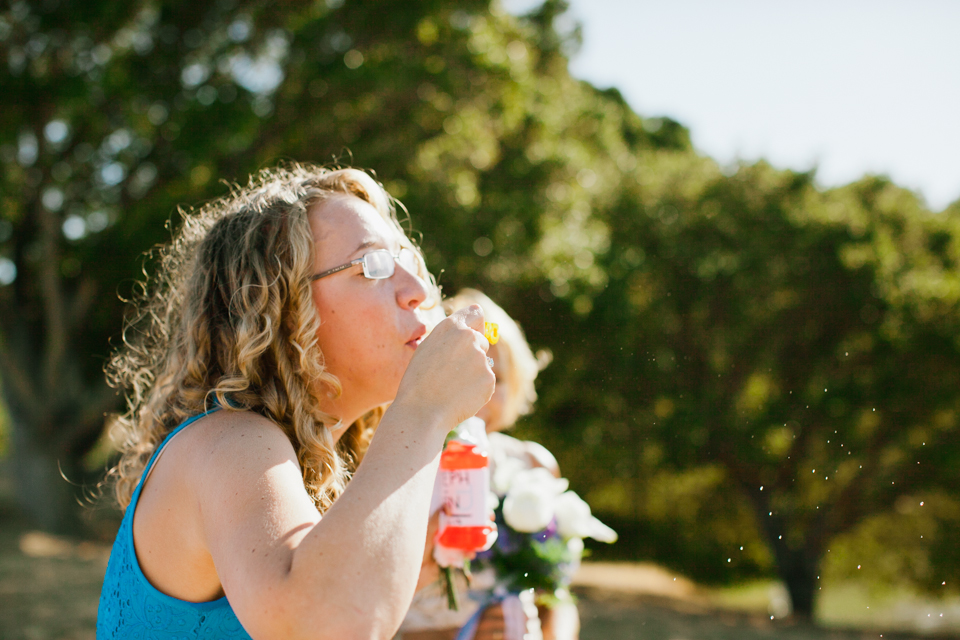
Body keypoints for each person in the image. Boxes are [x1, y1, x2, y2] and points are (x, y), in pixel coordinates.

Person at [96, 164, 495, 640]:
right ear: (279, 308)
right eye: (374, 266)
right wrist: (424, 409)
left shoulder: (316, 472)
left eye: (409, 260)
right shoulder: (229, 442)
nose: (418, 291)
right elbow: (325, 628)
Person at [399, 289, 579, 640]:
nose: (481, 390)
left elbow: (557, 599)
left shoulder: (531, 465)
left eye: (497, 375)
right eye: (463, 370)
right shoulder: (396, 465)